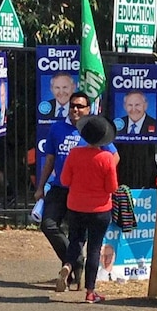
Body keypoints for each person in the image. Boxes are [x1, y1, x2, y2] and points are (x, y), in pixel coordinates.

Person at [36, 91, 119, 289]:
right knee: (48, 225)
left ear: (88, 109)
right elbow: (49, 160)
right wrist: (40, 187)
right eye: (72, 105)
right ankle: (74, 261)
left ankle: (71, 265)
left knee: (78, 234)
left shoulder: (93, 131)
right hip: (60, 187)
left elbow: (114, 157)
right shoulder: (57, 128)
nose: (75, 109)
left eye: (80, 106)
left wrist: (96, 177)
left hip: (82, 192)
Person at [57, 115, 119, 303]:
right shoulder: (107, 158)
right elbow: (112, 188)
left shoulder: (74, 154)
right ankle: (90, 292)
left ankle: (68, 265)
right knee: (94, 249)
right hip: (99, 209)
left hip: (75, 206)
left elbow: (64, 180)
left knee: (75, 240)